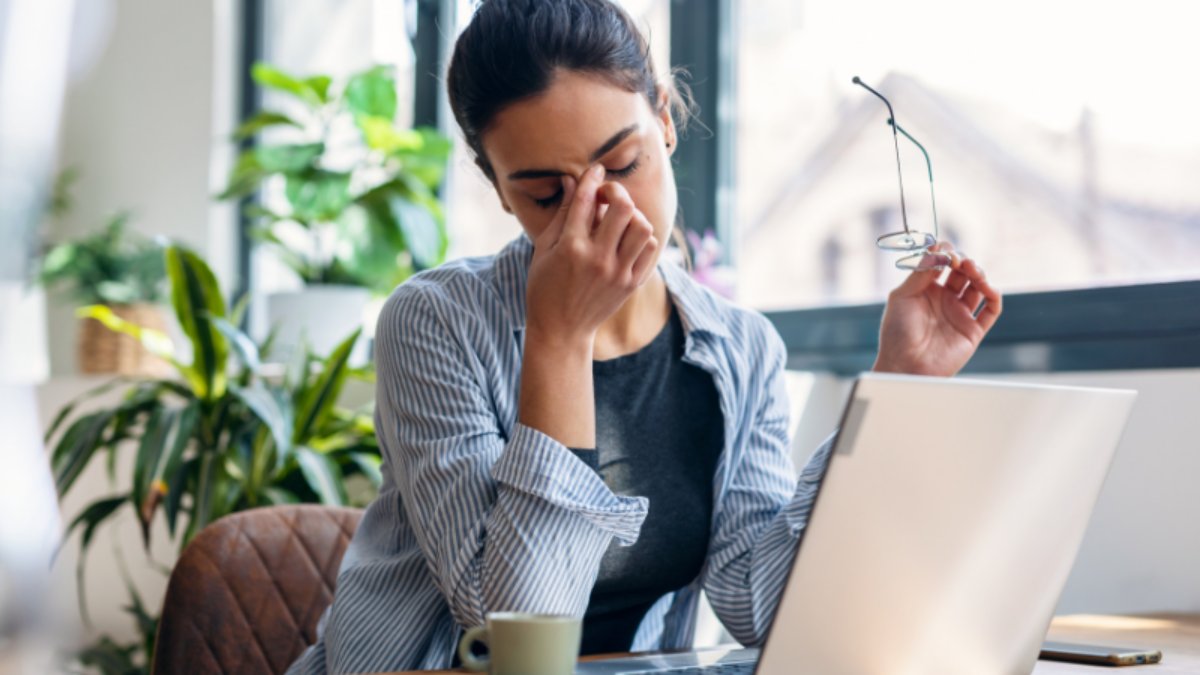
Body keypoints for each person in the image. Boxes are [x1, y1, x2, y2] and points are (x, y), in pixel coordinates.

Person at [287, 0, 1001, 672]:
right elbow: (512, 635)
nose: (601, 210)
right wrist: (559, 341)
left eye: (623, 164)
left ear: (663, 117)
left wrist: (894, 383)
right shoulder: (436, 321)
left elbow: (759, 602)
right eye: (546, 195)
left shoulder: (742, 350)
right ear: (499, 188)